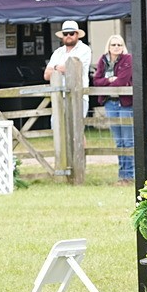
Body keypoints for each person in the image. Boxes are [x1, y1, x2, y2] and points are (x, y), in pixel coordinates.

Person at [93, 34, 134, 183]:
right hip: (110, 103)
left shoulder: (128, 59)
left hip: (125, 103)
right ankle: (122, 175)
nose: (116, 47)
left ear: (123, 46)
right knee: (119, 142)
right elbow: (96, 81)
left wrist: (107, 85)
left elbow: (122, 81)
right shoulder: (103, 60)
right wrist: (109, 80)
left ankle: (129, 175)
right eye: (113, 45)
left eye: (119, 45)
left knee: (128, 140)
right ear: (108, 47)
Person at [45, 20, 93, 117]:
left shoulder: (84, 49)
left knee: (76, 129)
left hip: (78, 95)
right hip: (59, 95)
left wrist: (55, 68)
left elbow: (73, 69)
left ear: (77, 34)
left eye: (71, 33)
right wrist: (60, 68)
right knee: (57, 128)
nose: (68, 36)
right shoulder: (58, 52)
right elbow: (46, 75)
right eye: (65, 33)